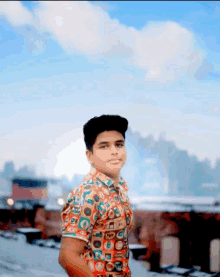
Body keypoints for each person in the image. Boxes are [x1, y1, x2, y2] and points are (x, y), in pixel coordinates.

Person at [59, 114, 134, 277]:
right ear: (90, 156)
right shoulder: (88, 194)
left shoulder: (118, 191)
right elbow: (68, 257)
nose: (114, 151)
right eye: (104, 146)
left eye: (119, 144)